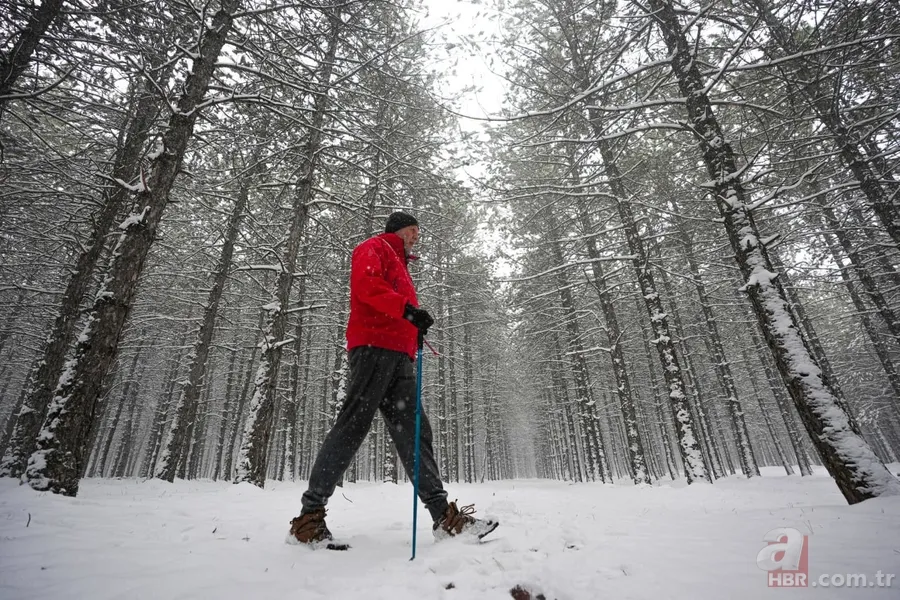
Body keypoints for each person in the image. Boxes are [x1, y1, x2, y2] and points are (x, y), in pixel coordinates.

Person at [289, 211, 499, 546]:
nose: (417, 237)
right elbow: (368, 286)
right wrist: (407, 310)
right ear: (398, 230)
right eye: (413, 230)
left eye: (418, 232)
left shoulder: (401, 265)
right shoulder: (374, 248)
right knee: (353, 425)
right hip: (373, 347)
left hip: (399, 356)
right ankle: (309, 518)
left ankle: (444, 518)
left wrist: (412, 325)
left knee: (415, 431)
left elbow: (395, 303)